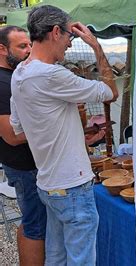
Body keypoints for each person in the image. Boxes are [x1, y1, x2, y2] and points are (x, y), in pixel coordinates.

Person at [9, 5, 118, 265]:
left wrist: (73, 137)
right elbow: (111, 91)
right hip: (72, 186)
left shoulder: (19, 74)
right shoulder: (52, 74)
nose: (70, 43)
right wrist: (95, 46)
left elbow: (21, 128)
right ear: (56, 32)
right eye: (70, 36)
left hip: (48, 184)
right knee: (81, 260)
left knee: (56, 258)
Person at [0, 25, 47, 265]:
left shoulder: (14, 76)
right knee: (36, 226)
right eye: (22, 46)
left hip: (27, 165)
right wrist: (53, 128)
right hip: (25, 166)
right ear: (1, 49)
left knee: (30, 221)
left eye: (30, 45)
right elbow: (11, 135)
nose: (29, 50)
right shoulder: (3, 83)